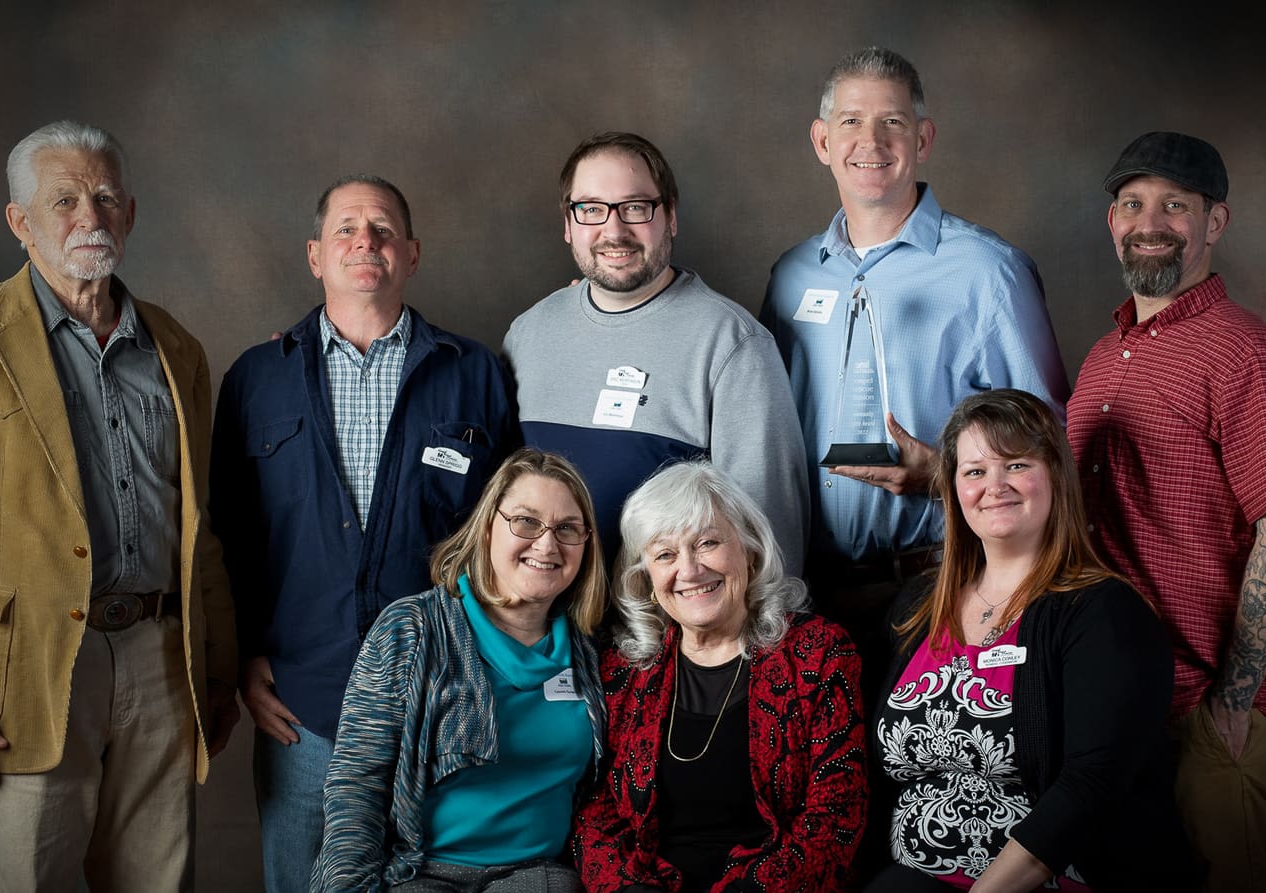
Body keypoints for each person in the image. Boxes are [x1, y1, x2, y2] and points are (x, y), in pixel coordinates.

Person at [0, 120, 237, 891]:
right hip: (24, 673)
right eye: (64, 200)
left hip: (162, 661)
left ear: (130, 213)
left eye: (105, 197)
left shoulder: (177, 347)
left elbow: (199, 527)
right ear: (20, 221)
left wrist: (217, 665)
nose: (89, 216)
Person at [212, 173, 517, 891]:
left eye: (382, 229)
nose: (365, 241)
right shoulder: (256, 378)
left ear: (411, 253)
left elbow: (509, 537)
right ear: (315, 255)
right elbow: (228, 536)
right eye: (345, 229)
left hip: (443, 699)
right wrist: (242, 656)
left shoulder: (476, 374)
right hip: (302, 703)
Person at [759, 47, 1066, 671]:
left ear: (922, 139)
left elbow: (1053, 444)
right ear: (822, 141)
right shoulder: (791, 276)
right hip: (805, 600)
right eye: (850, 121)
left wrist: (944, 477)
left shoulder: (989, 273)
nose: (870, 141)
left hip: (946, 588)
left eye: (892, 122)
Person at [1068, 131, 1266, 893]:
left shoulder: (1252, 354)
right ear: (1112, 221)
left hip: (1201, 705)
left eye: (1175, 205)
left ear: (1215, 221)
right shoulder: (1104, 357)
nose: (1150, 222)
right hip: (1109, 699)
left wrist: (1233, 703)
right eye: (1132, 204)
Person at [866, 389, 1192, 891]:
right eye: (975, 471)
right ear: (953, 489)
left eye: (1016, 465)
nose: (994, 486)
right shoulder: (918, 605)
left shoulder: (1106, 613)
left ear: (1055, 474)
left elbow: (1089, 788)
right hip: (909, 878)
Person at [311, 449, 610, 892]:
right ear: (488, 526)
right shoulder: (413, 629)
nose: (547, 545)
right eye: (526, 522)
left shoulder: (591, 653)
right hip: (420, 870)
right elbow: (358, 785)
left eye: (567, 528)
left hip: (536, 872)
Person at [505, 131, 808, 567]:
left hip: (664, 612)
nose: (614, 231)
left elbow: (771, 543)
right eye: (591, 209)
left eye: (634, 207)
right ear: (568, 224)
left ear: (670, 216)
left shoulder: (733, 345)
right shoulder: (528, 333)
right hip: (547, 608)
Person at [574, 462, 867, 893]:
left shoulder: (818, 652)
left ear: (749, 550)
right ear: (648, 578)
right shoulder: (623, 671)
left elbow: (837, 814)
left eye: (707, 543)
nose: (690, 570)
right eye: (665, 555)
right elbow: (595, 810)